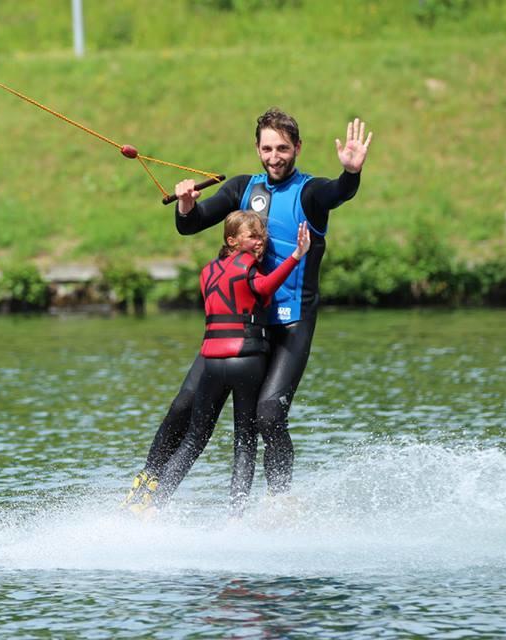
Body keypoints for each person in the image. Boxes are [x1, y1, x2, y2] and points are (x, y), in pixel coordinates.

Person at [124, 108, 372, 505]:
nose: (275, 157)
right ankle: (146, 487)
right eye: (268, 148)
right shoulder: (243, 189)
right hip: (241, 327)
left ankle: (280, 504)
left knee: (269, 414)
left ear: (297, 148)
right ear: (257, 148)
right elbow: (191, 223)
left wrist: (351, 173)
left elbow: (337, 192)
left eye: (284, 149)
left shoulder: (309, 194)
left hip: (290, 324)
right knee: (184, 404)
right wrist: (186, 204)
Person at [123, 212, 311, 517]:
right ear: (232, 240)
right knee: (244, 442)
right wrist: (296, 255)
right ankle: (236, 516)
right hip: (246, 361)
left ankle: (154, 505)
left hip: (211, 362)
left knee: (194, 439)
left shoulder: (207, 271)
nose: (260, 242)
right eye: (253, 236)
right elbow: (264, 289)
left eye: (262, 236)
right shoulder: (249, 268)